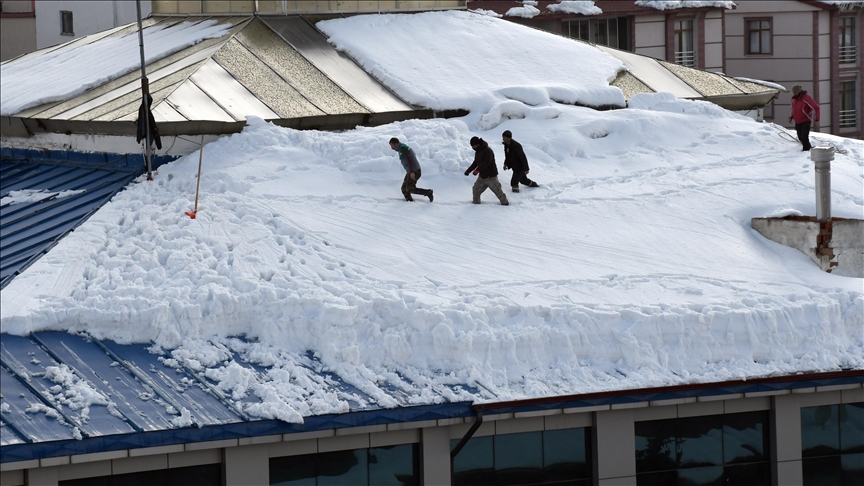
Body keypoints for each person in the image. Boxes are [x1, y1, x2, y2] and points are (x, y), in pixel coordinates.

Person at [464, 136, 509, 205]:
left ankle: (505, 204)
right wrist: (468, 170)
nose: (473, 147)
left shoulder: (488, 151)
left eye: (473, 145)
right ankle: (475, 205)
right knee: (476, 190)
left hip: (491, 177)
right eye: (472, 146)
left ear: (478, 144)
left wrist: (477, 170)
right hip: (482, 176)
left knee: (498, 192)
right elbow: (475, 162)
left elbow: (487, 162)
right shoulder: (478, 152)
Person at [389, 137, 433, 202]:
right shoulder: (401, 148)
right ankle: (409, 202)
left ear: (395, 144)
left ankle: (428, 192)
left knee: (410, 189)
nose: (391, 147)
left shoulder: (403, 148)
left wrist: (412, 171)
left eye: (392, 145)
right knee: (404, 189)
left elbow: (410, 160)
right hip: (411, 171)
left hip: (414, 171)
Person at [788, 84, 820, 151]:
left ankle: (806, 150)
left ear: (799, 91)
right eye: (794, 92)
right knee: (800, 137)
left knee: (804, 137)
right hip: (798, 120)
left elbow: (816, 108)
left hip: (806, 120)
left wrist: (817, 119)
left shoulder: (806, 98)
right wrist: (790, 117)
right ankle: (809, 149)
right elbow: (792, 108)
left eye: (796, 92)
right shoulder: (793, 99)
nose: (795, 93)